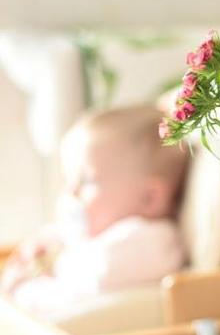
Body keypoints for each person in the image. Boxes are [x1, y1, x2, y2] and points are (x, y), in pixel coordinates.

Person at [1, 104, 188, 317]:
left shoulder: (146, 244)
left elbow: (67, 301)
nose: (71, 192)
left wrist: (20, 290)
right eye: (70, 180)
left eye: (87, 180)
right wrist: (44, 246)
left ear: (150, 198)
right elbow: (69, 239)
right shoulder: (106, 236)